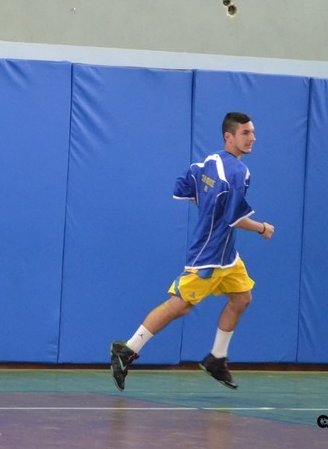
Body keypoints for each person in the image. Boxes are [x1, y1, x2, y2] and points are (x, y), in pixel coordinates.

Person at [110, 112, 275, 391]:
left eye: (253, 132)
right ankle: (126, 349)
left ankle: (216, 358)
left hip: (227, 256)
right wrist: (262, 228)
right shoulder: (238, 172)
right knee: (180, 305)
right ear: (229, 137)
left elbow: (185, 188)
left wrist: (211, 211)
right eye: (246, 133)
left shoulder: (207, 162)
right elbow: (235, 218)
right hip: (209, 256)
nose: (253, 138)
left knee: (241, 298)